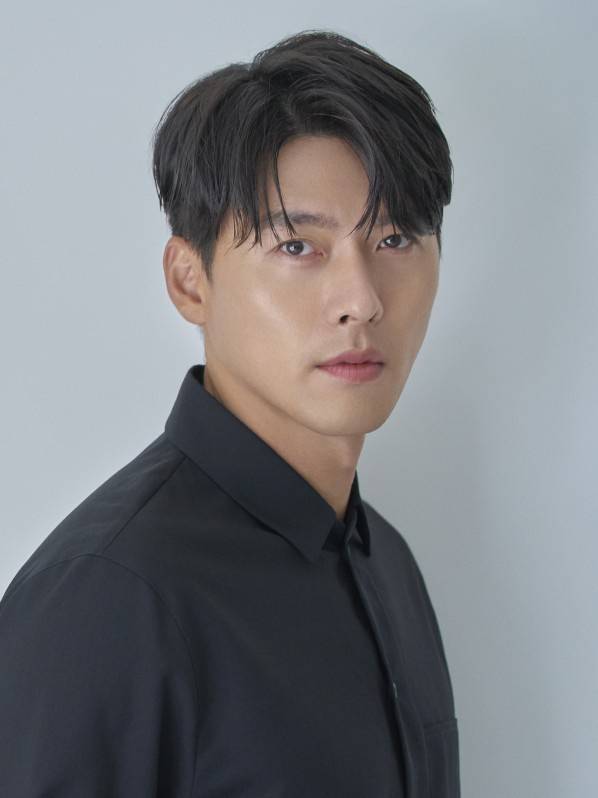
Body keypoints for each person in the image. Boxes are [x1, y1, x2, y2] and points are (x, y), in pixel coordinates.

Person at [0, 29, 460, 797]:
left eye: (394, 237)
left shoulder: (389, 563)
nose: (362, 300)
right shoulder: (109, 598)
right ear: (191, 282)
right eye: (298, 247)